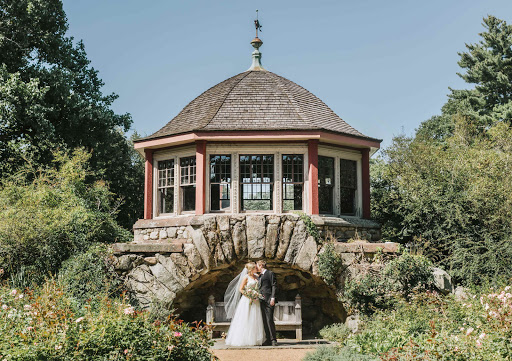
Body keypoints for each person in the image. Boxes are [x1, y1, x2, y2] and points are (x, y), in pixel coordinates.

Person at [224, 262, 265, 346]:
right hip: (247, 300)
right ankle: (243, 339)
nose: (256, 269)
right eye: (254, 268)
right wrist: (249, 295)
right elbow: (241, 289)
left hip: (255, 300)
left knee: (255, 318)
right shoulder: (246, 277)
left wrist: (256, 294)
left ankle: (254, 338)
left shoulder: (256, 277)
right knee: (245, 318)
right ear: (251, 269)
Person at [256, 259, 278, 346]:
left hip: (269, 300)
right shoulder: (259, 276)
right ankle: (268, 339)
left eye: (257, 265)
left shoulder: (270, 273)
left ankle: (273, 340)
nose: (256, 267)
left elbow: (274, 286)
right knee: (264, 320)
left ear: (261, 265)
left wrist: (273, 297)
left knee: (269, 320)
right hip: (261, 301)